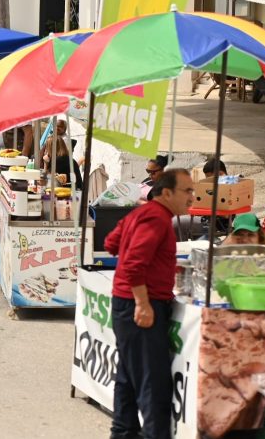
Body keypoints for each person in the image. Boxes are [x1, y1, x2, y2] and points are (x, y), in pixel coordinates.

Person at [105, 168, 194, 439]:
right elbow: (132, 266)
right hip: (140, 305)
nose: (192, 197)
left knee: (129, 377)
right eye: (187, 191)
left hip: (128, 302)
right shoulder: (155, 218)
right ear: (166, 193)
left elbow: (112, 244)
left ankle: (123, 432)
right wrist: (143, 304)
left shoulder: (141, 214)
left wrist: (161, 264)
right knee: (152, 384)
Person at [39, 119, 81, 189]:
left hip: (73, 193)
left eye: (47, 147)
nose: (46, 150)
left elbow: (45, 180)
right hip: (74, 189)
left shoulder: (59, 161)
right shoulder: (63, 159)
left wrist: (46, 163)